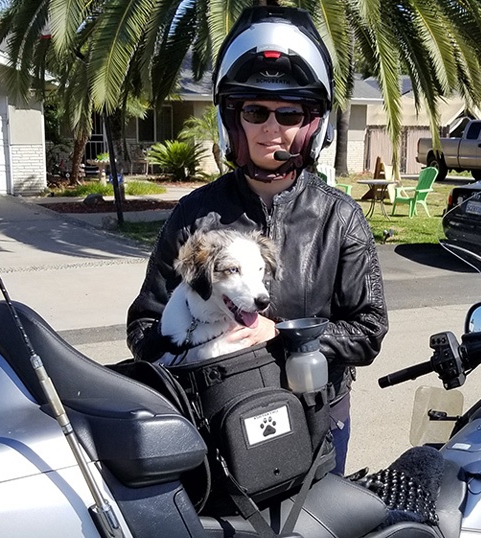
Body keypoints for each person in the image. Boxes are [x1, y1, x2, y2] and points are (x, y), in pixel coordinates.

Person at [126, 5, 388, 475]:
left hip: (315, 419)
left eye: (289, 112)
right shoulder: (193, 216)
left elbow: (368, 330)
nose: (271, 127)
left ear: (312, 124)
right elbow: (145, 325)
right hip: (217, 425)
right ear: (233, 119)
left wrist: (283, 336)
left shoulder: (340, 218)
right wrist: (196, 350)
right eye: (255, 111)